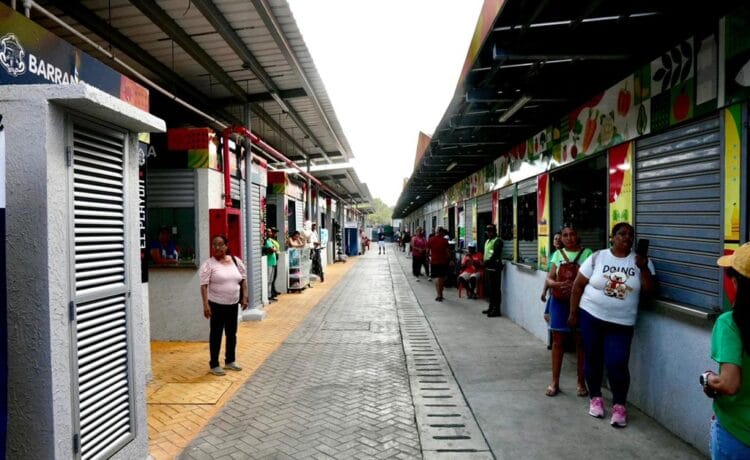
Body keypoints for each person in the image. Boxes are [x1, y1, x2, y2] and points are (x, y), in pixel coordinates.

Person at [568, 222, 655, 427]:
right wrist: (573, 313)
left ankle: (619, 405)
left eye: (630, 235)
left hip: (621, 323)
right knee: (593, 358)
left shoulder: (641, 262)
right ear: (612, 237)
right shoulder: (598, 257)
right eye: (621, 234)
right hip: (591, 315)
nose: (626, 238)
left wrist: (643, 268)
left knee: (617, 363)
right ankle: (595, 398)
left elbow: (650, 291)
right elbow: (577, 286)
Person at [702, 243, 750, 458]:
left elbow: (729, 384)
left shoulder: (730, 323)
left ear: (737, 282)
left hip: (737, 433)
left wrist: (708, 379)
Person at [541, 225, 591, 397]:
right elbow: (549, 277)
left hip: (581, 302)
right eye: (565, 235)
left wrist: (576, 287)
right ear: (561, 238)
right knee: (557, 341)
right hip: (559, 302)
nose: (569, 238)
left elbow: (591, 278)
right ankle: (554, 382)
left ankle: (581, 382)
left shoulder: (588, 254)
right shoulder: (557, 254)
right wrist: (555, 284)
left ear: (578, 236)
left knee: (581, 342)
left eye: (572, 234)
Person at [200, 235, 249, 376]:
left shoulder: (235, 261)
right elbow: (203, 286)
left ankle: (230, 361)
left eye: (220, 244)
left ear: (226, 246)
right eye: (214, 244)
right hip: (216, 305)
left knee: (231, 334)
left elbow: (243, 280)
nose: (217, 247)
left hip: (232, 304)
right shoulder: (209, 264)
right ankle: (214, 364)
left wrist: (245, 297)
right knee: (216, 334)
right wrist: (206, 305)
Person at [482, 224, 504, 317]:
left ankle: (496, 310)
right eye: (487, 232)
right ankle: (491, 307)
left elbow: (495, 254)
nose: (488, 234)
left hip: (495, 268)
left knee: (496, 290)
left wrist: (487, 262)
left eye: (489, 232)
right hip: (489, 268)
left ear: (493, 232)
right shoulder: (488, 241)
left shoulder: (498, 241)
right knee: (491, 289)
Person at [427, 227, 451, 301]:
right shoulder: (445, 241)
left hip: (434, 261)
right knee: (442, 278)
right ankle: (441, 294)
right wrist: (450, 260)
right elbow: (448, 252)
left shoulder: (431, 240)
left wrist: (427, 258)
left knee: (437, 278)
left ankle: (438, 295)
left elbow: (427, 251)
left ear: (436, 232)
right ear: (441, 232)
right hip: (443, 262)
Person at [264, 227, 281, 302]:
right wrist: (273, 249)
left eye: (270, 232)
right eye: (269, 232)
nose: (270, 233)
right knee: (268, 280)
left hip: (273, 262)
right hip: (269, 263)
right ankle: (267, 296)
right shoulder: (266, 241)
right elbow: (272, 249)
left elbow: (275, 249)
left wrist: (274, 249)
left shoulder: (270, 241)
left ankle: (270, 295)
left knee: (271, 280)